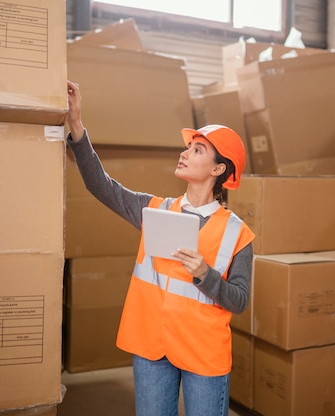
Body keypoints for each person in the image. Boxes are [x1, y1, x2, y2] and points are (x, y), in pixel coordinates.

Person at [66, 80, 255, 416]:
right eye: (188, 147)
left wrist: (204, 275)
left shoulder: (237, 233)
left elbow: (239, 300)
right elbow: (100, 185)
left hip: (203, 354)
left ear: (218, 169)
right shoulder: (155, 210)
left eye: (197, 150)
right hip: (152, 348)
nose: (184, 153)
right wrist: (77, 126)